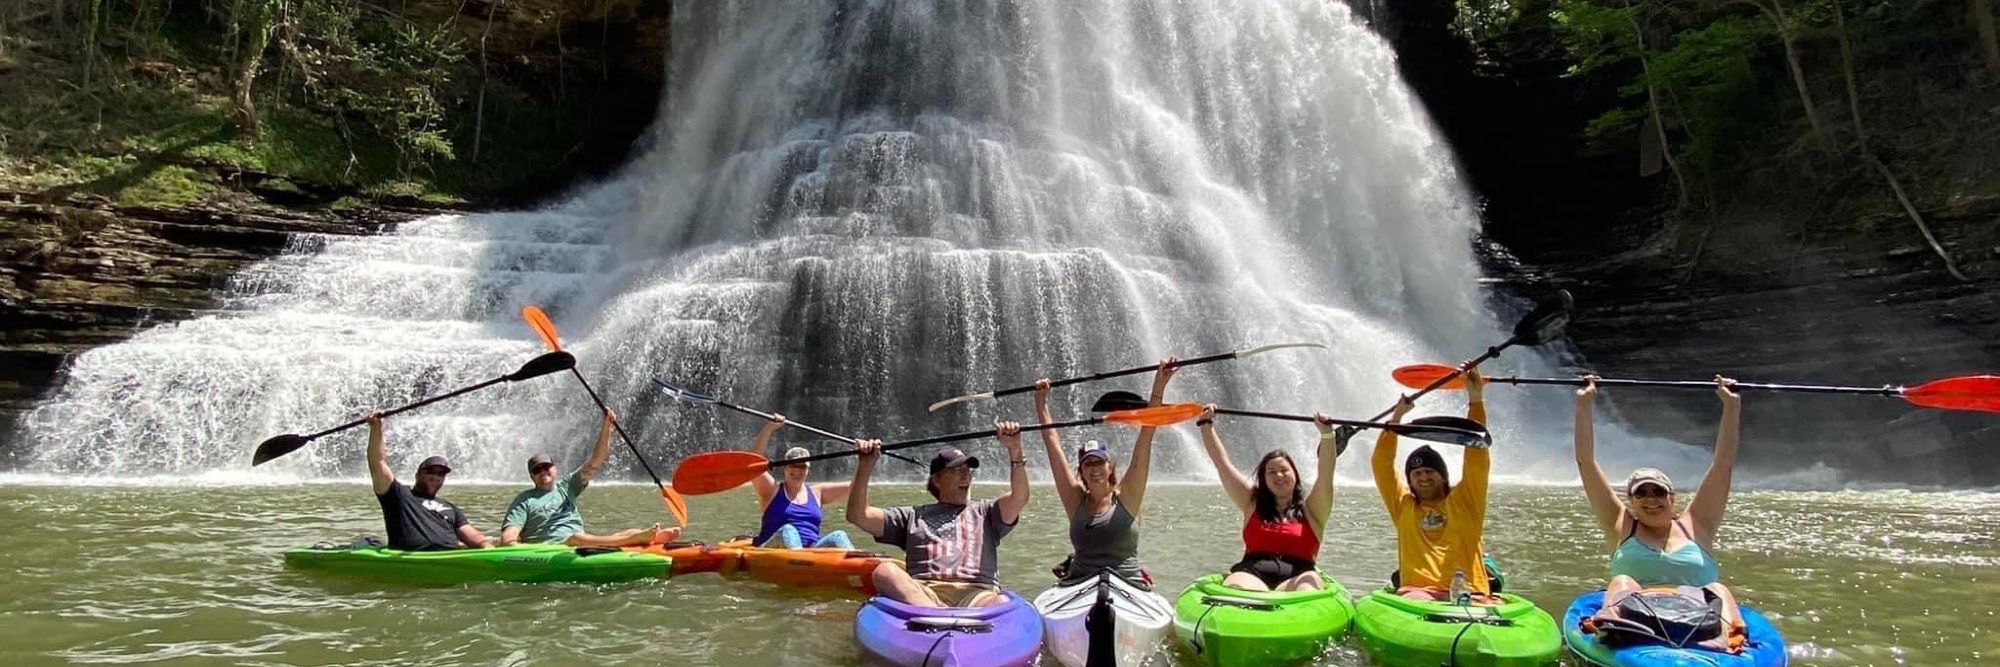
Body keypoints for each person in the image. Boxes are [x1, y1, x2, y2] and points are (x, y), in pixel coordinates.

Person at [1577, 375, 1745, 652]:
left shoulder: (1697, 523)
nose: (1650, 500)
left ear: (1671, 497)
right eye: (1641, 493)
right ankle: (1613, 624)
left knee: (1717, 588)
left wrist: (1731, 406)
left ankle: (1728, 638)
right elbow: (1585, 463)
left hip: (1700, 618)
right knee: (1621, 581)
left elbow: (1722, 465)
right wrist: (1584, 404)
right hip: (1636, 616)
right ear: (1630, 500)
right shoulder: (1622, 525)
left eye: (1658, 492)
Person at [846, 423, 1030, 608]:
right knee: (884, 571)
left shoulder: (987, 512)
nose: (965, 476)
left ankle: (936, 617)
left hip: (977, 594)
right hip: (925, 592)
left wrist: (1015, 449)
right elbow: (858, 515)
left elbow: (1020, 497)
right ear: (936, 480)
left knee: (1001, 602)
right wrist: (865, 465)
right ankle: (934, 613)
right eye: (956, 471)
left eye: (967, 471)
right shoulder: (912, 516)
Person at [1037, 358, 1177, 588]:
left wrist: (1159, 385)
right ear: (1081, 470)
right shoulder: (1074, 499)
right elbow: (1053, 445)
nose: (1094, 469)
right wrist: (1041, 402)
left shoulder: (1128, 495)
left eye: (1099, 463)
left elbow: (1146, 434)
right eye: (1088, 464)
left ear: (1109, 467)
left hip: (1127, 585)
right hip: (1079, 585)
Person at [1196, 402, 1348, 592]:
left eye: (1284, 470)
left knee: (1309, 584)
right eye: (1272, 472)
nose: (1279, 475)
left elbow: (1326, 473)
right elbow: (1222, 464)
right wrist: (1206, 424)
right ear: (1264, 479)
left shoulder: (1312, 510)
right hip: (1252, 574)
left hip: (1297, 577)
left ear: (1295, 474)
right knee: (1238, 586)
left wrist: (1327, 434)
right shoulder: (1251, 503)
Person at [1373, 367, 1492, 601]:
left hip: (1470, 592)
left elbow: (1477, 453)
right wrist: (1396, 419)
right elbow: (1382, 466)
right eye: (1416, 474)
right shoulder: (1403, 506)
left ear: (1443, 477)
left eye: (1429, 471)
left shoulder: (1465, 499)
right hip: (1419, 593)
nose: (1423, 477)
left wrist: (1475, 399)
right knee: (1417, 600)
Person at [500, 408, 677, 547]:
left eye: (546, 466)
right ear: (531, 476)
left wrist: (606, 425)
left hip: (580, 542)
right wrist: (514, 545)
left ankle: (641, 537)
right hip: (554, 548)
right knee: (576, 538)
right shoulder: (524, 501)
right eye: (537, 470)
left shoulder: (566, 486)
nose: (543, 471)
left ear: (555, 469)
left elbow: (595, 462)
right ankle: (634, 540)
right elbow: (509, 537)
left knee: (623, 531)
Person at [366, 411, 495, 551]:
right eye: (430, 471)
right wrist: (376, 428)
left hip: (451, 558)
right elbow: (377, 463)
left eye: (441, 474)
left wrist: (484, 544)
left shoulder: (451, 508)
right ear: (417, 474)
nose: (435, 477)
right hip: (415, 560)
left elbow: (470, 533)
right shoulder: (399, 495)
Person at [744, 413, 857, 549]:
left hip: (811, 552)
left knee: (839, 535)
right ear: (785, 468)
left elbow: (857, 487)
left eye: (802, 466)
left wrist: (866, 457)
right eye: (793, 465)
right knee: (788, 530)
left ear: (808, 470)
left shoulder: (817, 493)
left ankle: (863, 564)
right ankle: (799, 561)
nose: (797, 471)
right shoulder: (772, 490)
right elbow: (752, 464)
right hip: (772, 550)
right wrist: (769, 428)